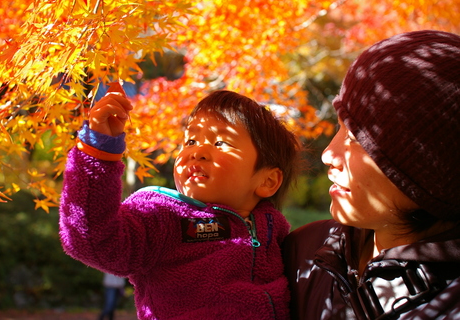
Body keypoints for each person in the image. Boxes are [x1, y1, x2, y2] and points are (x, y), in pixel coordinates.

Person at [59, 88, 301, 319]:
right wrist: (98, 152)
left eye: (220, 143)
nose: (198, 152)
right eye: (191, 141)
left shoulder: (274, 227)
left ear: (268, 181)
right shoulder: (159, 215)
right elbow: (94, 238)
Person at [283, 29, 460, 320]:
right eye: (339, 126)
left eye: (356, 138)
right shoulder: (302, 251)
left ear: (432, 171)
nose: (328, 154)